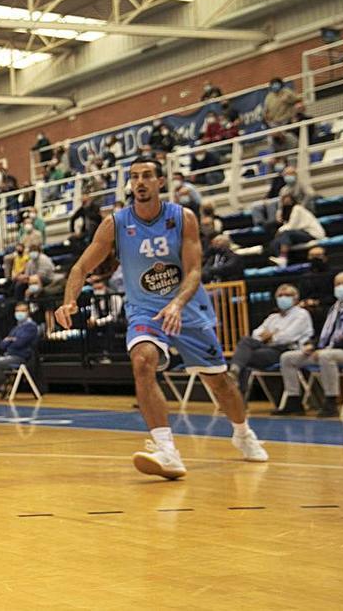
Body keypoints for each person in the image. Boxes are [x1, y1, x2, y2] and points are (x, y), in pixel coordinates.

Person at [55, 159, 268, 480]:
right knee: (142, 361)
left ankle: (242, 433)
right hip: (144, 312)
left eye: (147, 176)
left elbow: (195, 269)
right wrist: (69, 300)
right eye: (134, 177)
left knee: (220, 384)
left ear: (159, 181)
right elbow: (80, 268)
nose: (140, 182)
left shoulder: (183, 218)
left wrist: (178, 304)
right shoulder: (115, 223)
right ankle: (167, 450)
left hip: (187, 309)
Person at [274, 272, 343, 418]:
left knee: (326, 356)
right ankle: (294, 401)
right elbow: (326, 334)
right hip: (331, 350)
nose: (341, 287)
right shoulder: (334, 308)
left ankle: (331, 402)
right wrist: (313, 345)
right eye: (337, 284)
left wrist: (326, 348)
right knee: (287, 358)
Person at [230, 284, 313, 402]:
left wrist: (270, 336)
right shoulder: (273, 317)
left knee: (243, 357)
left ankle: (238, 396)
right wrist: (271, 335)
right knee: (245, 341)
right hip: (268, 348)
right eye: (280, 295)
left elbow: (288, 337)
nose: (283, 298)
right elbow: (256, 333)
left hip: (287, 351)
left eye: (287, 295)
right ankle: (235, 371)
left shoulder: (301, 314)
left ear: (295, 299)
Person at [0, 302, 38, 393]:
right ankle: (3, 384)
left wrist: (9, 340)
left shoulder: (31, 326)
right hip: (7, 355)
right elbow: (2, 345)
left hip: (20, 357)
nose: (19, 313)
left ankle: (6, 383)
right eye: (17, 311)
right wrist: (11, 340)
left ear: (28, 312)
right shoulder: (16, 327)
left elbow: (19, 343)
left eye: (22, 310)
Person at [267, 193, 325, 268]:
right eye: (284, 200)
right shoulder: (286, 213)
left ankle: (283, 258)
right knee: (275, 242)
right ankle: (281, 261)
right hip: (299, 233)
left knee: (286, 233)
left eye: (288, 199)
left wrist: (279, 230)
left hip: (312, 233)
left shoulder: (297, 208)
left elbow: (292, 226)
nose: (286, 201)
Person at [87, 277, 124, 364]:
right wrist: (92, 320)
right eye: (95, 289)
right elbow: (94, 313)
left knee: (109, 327)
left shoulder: (114, 296)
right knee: (90, 328)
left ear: (104, 286)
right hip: (101, 321)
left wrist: (98, 322)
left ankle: (109, 355)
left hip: (117, 321)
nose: (97, 291)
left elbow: (114, 316)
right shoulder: (94, 298)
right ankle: (94, 355)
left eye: (99, 288)